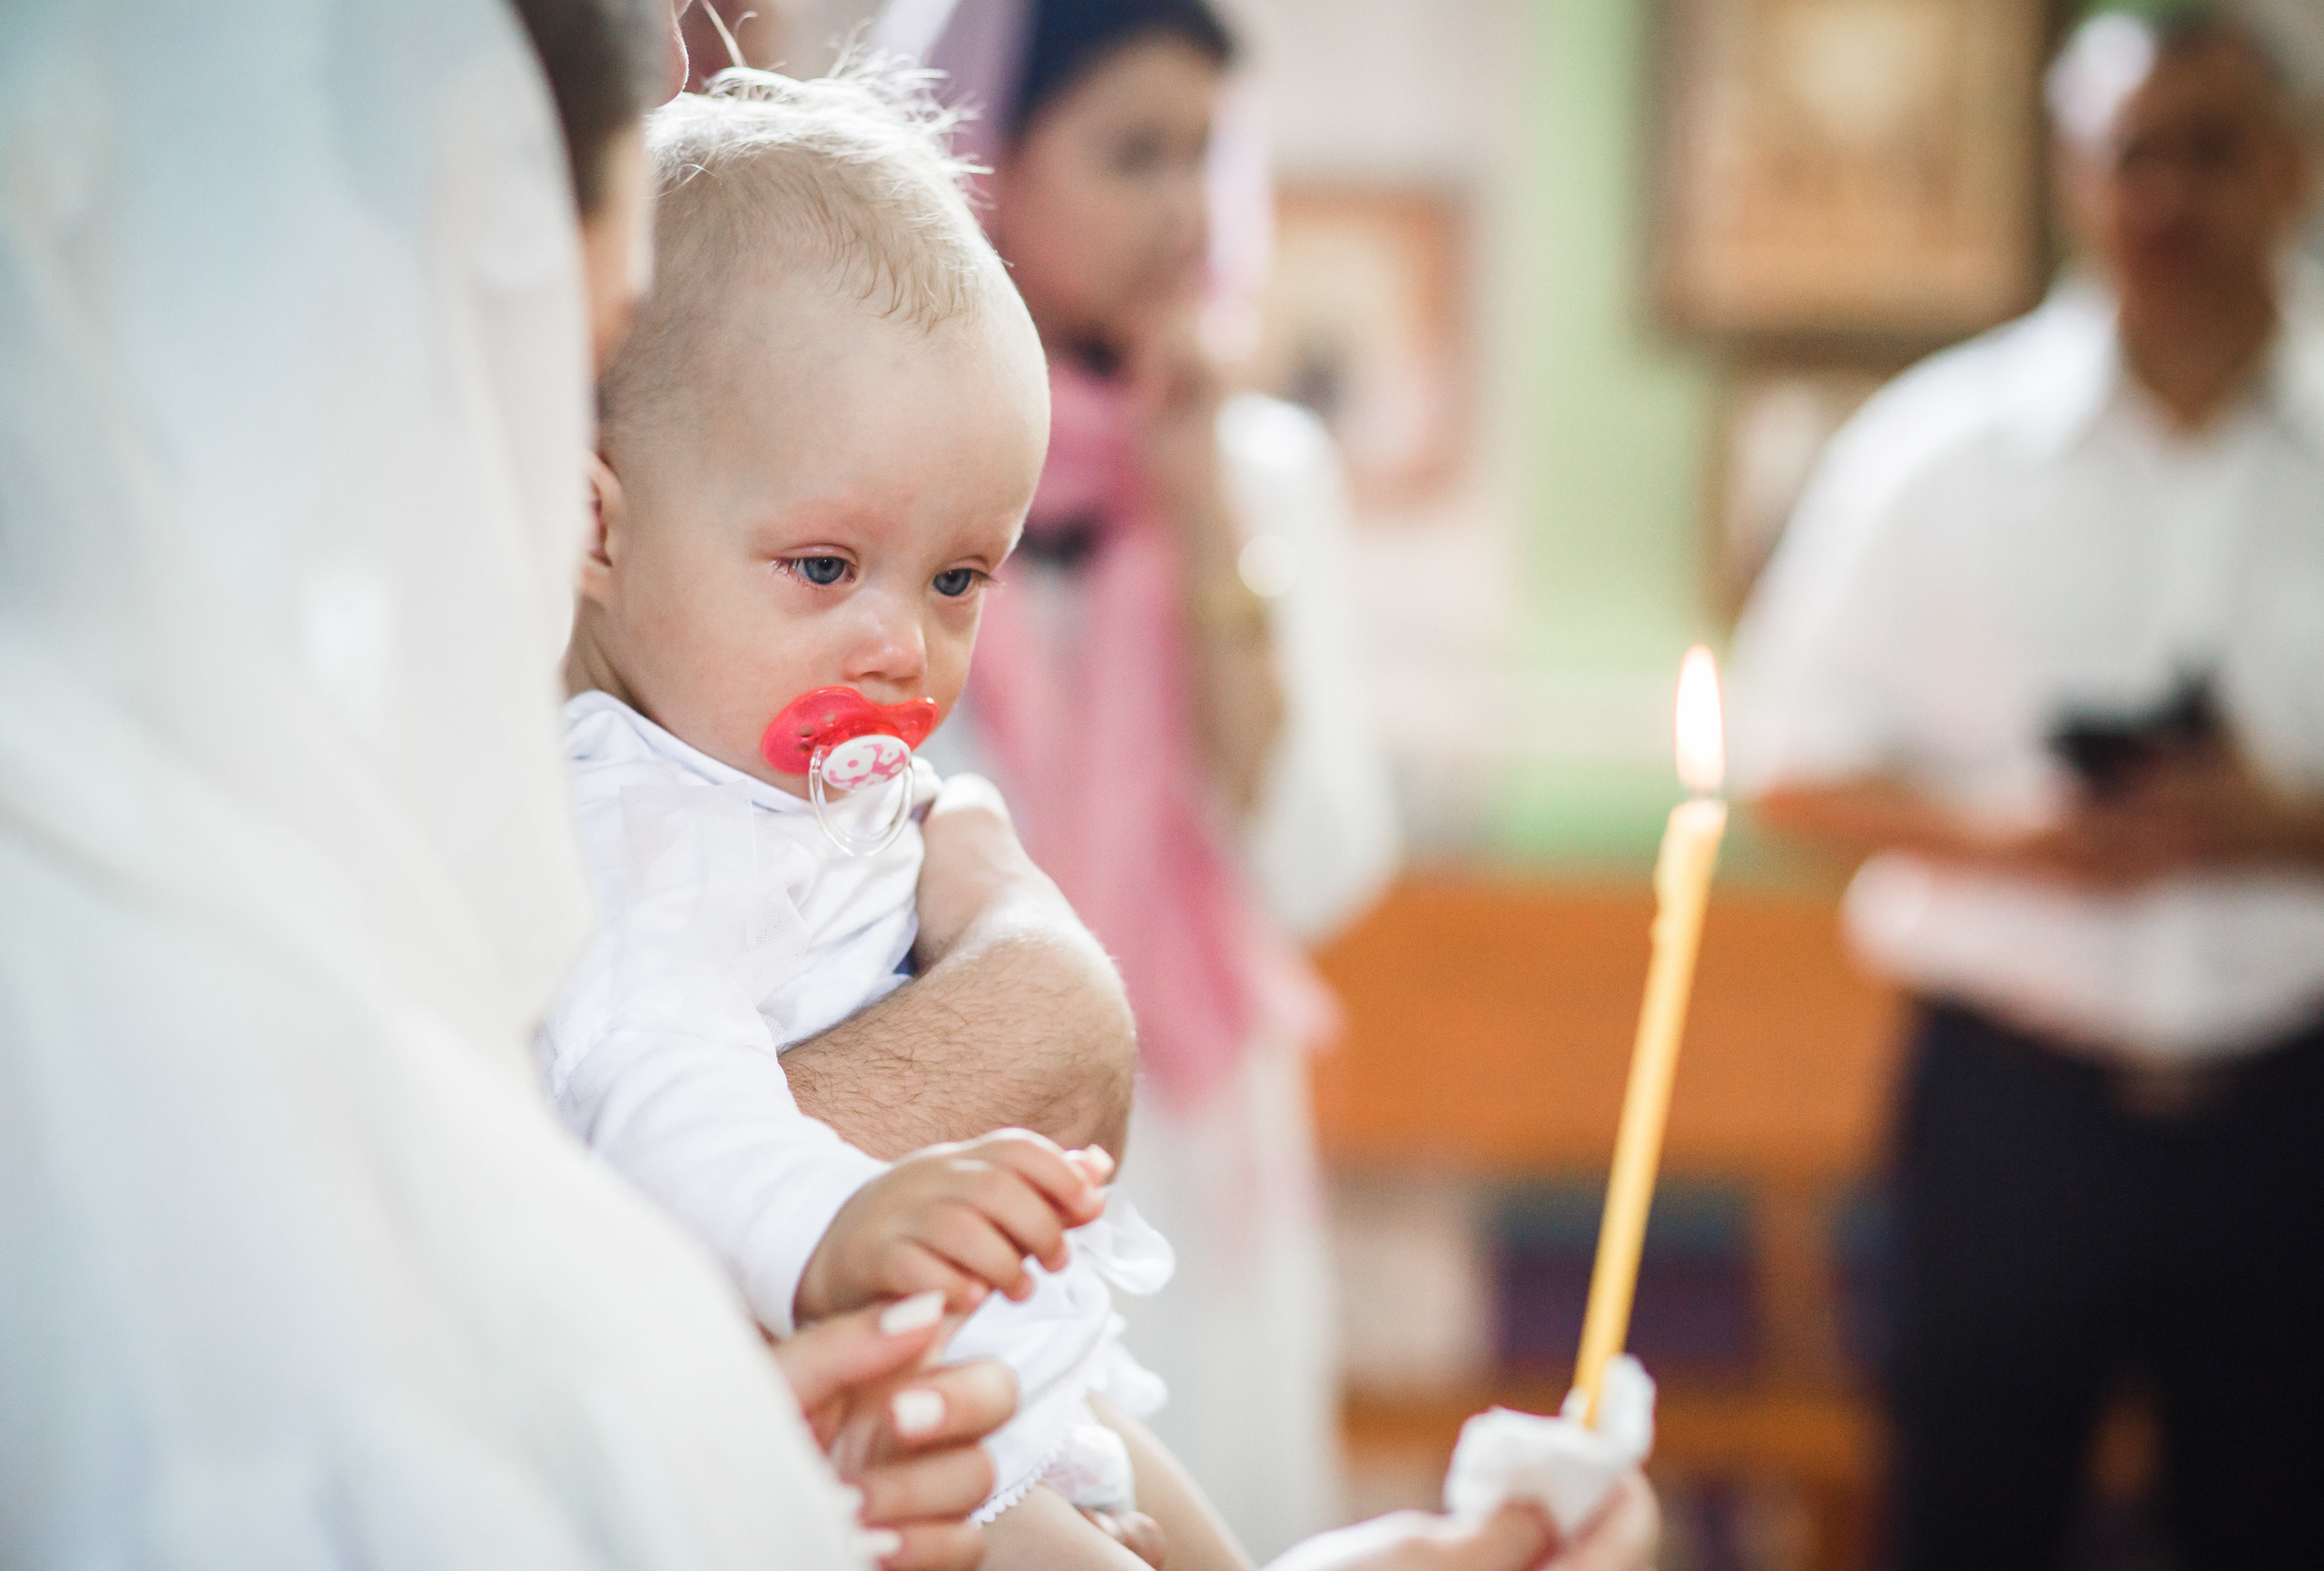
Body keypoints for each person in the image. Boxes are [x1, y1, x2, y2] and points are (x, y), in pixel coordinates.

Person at [537, 67, 1243, 1571]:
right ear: (596, 526)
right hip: (887, 1410)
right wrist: (828, 1229)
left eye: (955, 579)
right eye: (821, 566)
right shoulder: (639, 817)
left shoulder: (751, 748)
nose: (898, 646)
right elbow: (655, 1086)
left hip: (1016, 1369)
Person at [1731, 10, 2324, 1568]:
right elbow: (1782, 764)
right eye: (2136, 155)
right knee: (1965, 1522)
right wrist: (2019, 842)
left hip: (2293, 1110)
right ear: (2076, 176)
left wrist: (2277, 826)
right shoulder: (1937, 454)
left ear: (2296, 170)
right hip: (2014, 1110)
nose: (2170, 198)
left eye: (2214, 152)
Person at [873, 1, 1404, 1555]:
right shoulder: (888, 461)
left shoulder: (1264, 472)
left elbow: (1319, 868)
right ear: (984, 163)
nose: (1185, 206)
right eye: (1130, 152)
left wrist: (1205, 521)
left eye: (1204, 152)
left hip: (1196, 1133)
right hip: (952, 1133)